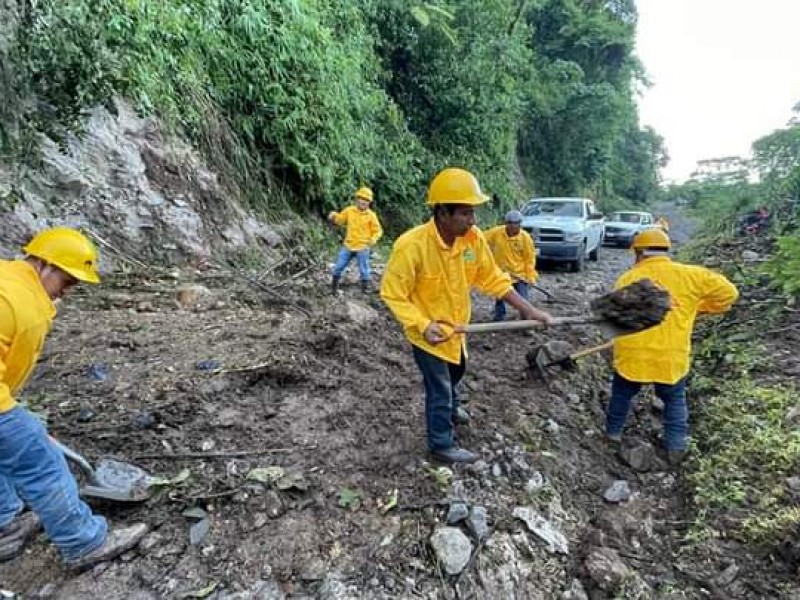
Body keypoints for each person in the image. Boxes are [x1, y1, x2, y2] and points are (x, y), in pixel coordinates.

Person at [380, 168, 554, 464]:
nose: (473, 220)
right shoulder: (412, 246)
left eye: (472, 212)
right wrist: (423, 325)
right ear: (442, 213)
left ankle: (451, 408)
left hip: (458, 330)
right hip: (429, 335)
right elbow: (392, 293)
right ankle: (441, 444)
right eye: (464, 213)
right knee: (440, 388)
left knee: (456, 371)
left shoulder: (472, 240)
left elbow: (493, 278)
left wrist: (529, 309)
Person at [0, 227, 148, 568]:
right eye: (67, 281)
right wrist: (18, 423)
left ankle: (5, 526)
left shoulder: (11, 279)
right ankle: (83, 542)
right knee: (43, 464)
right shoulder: (19, 304)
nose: (69, 290)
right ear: (44, 264)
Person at [605, 228, 738, 465]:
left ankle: (613, 435)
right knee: (674, 400)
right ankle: (675, 447)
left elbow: (615, 320)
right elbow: (730, 294)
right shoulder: (693, 276)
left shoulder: (627, 279)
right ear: (666, 251)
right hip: (671, 356)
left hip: (633, 355)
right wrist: (700, 308)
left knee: (621, 396)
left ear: (638, 253)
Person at [484, 210, 538, 321]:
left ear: (520, 224)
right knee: (500, 297)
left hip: (520, 275)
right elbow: (481, 240)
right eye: (510, 223)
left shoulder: (525, 238)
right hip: (502, 273)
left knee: (523, 300)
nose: (513, 226)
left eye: (516, 223)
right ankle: (499, 318)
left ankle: (526, 321)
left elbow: (529, 259)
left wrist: (530, 276)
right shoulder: (496, 233)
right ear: (506, 223)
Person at [328, 187, 383, 294]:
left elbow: (378, 231)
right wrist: (334, 216)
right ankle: (334, 289)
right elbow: (340, 220)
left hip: (363, 247)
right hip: (348, 245)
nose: (363, 201)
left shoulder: (371, 216)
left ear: (369, 202)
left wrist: (372, 240)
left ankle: (365, 289)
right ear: (356, 199)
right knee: (338, 266)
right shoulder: (349, 211)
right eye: (361, 198)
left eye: (366, 200)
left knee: (364, 269)